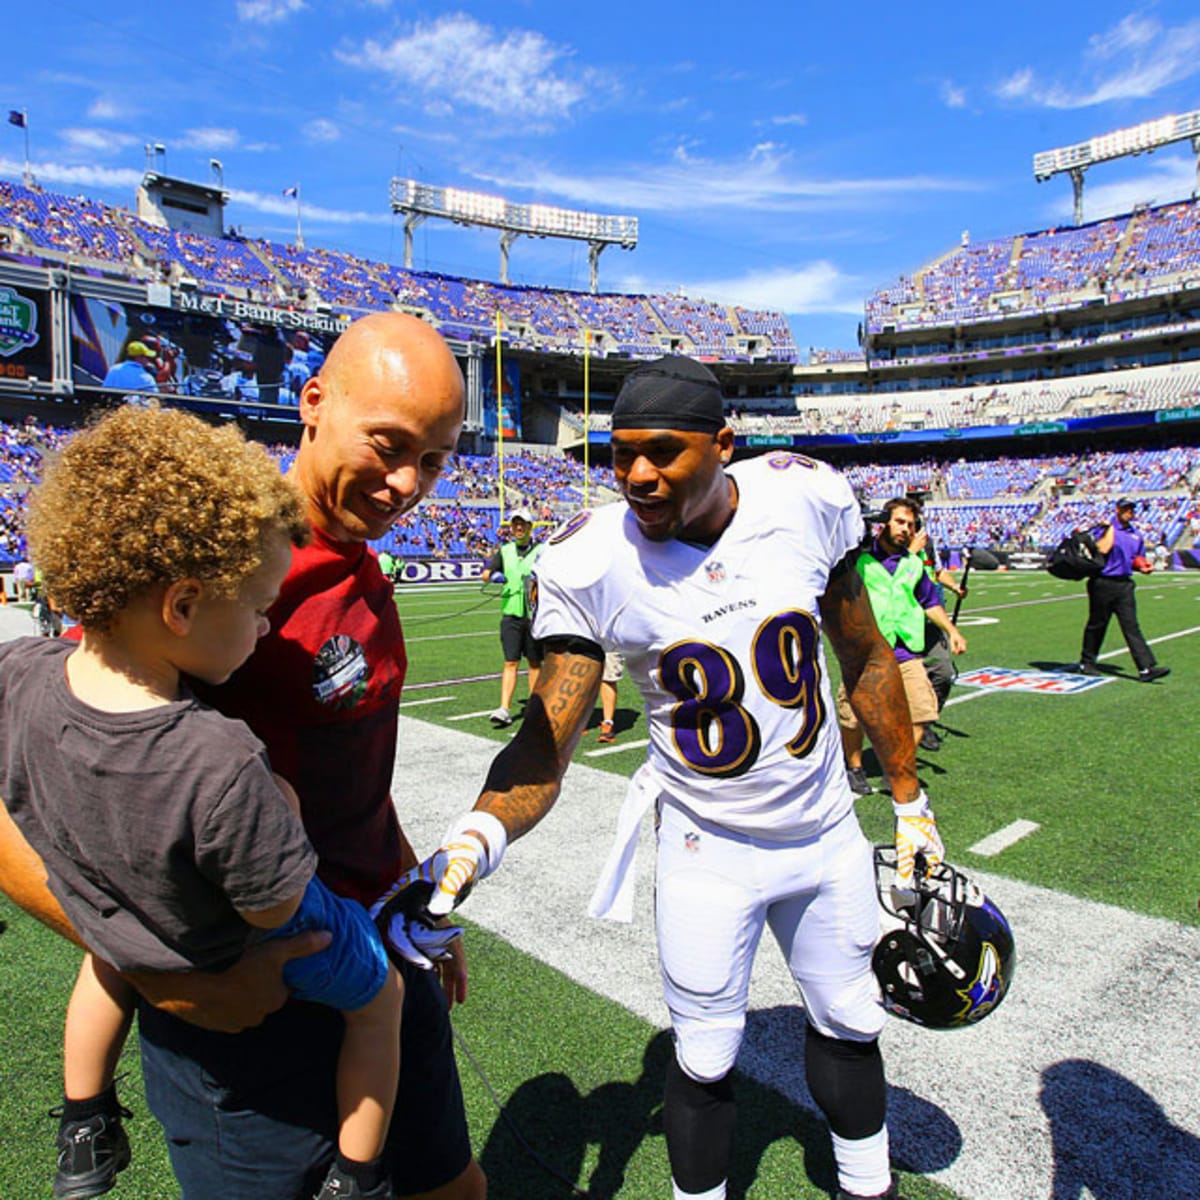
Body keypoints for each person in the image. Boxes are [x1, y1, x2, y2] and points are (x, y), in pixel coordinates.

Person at [398, 356, 944, 1200]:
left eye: (661, 452)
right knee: (705, 1055)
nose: (637, 476)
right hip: (708, 845)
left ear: (725, 444)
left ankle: (869, 1186)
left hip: (824, 828)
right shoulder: (590, 561)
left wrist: (911, 803)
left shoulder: (805, 498)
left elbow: (865, 653)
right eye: (621, 455)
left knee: (851, 1022)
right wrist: (474, 838)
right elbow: (547, 740)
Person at [0, 312, 487, 1200]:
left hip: (376, 944)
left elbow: (345, 772)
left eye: (438, 457)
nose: (408, 482)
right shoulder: (214, 559)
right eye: (388, 443)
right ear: (313, 403)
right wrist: (165, 972)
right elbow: (54, 774)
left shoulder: (352, 554)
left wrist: (408, 889)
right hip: (249, 996)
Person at [837, 498, 967, 796]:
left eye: (910, 524)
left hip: (906, 649)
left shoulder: (914, 563)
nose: (906, 529)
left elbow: (929, 602)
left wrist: (952, 631)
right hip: (865, 650)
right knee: (853, 715)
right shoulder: (858, 558)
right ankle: (854, 768)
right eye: (899, 521)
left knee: (921, 713)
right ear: (884, 522)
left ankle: (893, 767)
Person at [1076, 497, 1169, 683]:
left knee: (1131, 626)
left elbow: (1135, 558)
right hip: (1103, 582)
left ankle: (1145, 668)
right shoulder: (1105, 528)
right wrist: (1109, 528)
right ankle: (1087, 662)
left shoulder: (1135, 534)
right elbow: (1102, 549)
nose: (1130, 512)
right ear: (1118, 509)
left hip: (1124, 584)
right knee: (1098, 624)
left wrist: (1142, 566)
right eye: (1126, 508)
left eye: (1132, 509)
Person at [480, 508, 542, 727]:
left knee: (535, 663)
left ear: (530, 527)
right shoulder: (505, 550)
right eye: (515, 524)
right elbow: (485, 574)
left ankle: (534, 709)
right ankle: (504, 708)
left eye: (522, 524)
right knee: (511, 661)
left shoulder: (542, 550)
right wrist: (493, 576)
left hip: (535, 615)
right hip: (511, 613)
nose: (518, 528)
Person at [910, 523, 966, 752]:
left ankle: (925, 722)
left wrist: (954, 587)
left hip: (931, 622)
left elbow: (937, 572)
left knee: (943, 672)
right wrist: (911, 552)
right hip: (901, 624)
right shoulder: (888, 550)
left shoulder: (928, 546)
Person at [596, 651, 624, 744]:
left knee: (608, 677)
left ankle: (608, 724)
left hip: (610, 640)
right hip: (585, 637)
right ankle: (578, 721)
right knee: (581, 676)